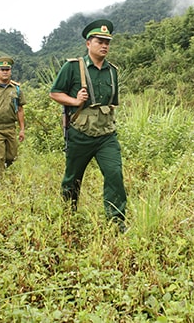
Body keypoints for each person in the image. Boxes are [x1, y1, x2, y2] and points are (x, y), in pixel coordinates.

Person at [49, 19, 127, 232]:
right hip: (80, 133)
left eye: (107, 42)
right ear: (88, 44)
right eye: (99, 41)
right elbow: (55, 93)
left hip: (106, 134)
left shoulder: (113, 71)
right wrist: (75, 101)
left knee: (114, 174)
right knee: (73, 177)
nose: (104, 45)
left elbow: (112, 103)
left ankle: (116, 221)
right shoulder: (73, 67)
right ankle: (68, 215)